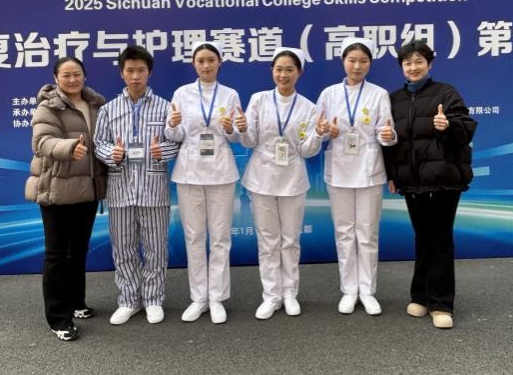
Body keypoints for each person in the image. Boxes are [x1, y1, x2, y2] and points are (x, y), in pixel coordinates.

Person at [384, 40, 477, 330]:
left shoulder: (446, 93)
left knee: (440, 240)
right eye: (407, 63)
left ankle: (441, 304)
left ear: (429, 64)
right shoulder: (394, 99)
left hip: (443, 180)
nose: (413, 67)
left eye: (418, 62)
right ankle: (420, 297)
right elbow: (390, 143)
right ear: (402, 67)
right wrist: (392, 175)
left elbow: (467, 127)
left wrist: (448, 126)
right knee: (422, 238)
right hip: (412, 182)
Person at [94, 45, 179, 325]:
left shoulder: (165, 107)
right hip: (120, 190)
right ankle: (129, 299)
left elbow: (177, 141)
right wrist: (113, 153)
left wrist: (161, 151)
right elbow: (99, 143)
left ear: (149, 73)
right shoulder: (109, 109)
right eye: (130, 70)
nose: (135, 76)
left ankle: (153, 299)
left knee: (156, 248)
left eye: (141, 70)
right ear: (122, 73)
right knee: (123, 248)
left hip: (153, 189)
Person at [235, 47, 323, 320]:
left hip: (293, 178)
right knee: (268, 240)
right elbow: (249, 141)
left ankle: (290, 293)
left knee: (290, 239)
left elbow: (307, 150)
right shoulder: (259, 100)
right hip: (262, 178)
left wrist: (318, 134)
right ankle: (272, 295)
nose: (283, 75)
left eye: (289, 70)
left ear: (299, 73)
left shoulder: (308, 107)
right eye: (279, 69)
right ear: (272, 71)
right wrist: (242, 128)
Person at [25, 56, 107, 341]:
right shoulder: (48, 107)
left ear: (84, 76)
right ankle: (58, 318)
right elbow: (42, 142)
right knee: (57, 254)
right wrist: (69, 147)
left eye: (77, 74)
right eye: (66, 75)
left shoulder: (95, 104)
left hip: (88, 189)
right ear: (56, 78)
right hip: (56, 189)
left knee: (78, 250)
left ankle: (76, 302)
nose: (72, 80)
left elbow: (103, 141)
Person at [315, 37, 397, 316]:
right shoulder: (328, 94)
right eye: (352, 60)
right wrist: (325, 131)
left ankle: (368, 291)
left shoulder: (379, 94)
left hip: (369, 170)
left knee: (367, 232)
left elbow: (386, 134)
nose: (357, 66)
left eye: (363, 61)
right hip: (339, 171)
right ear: (343, 61)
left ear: (370, 64)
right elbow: (315, 131)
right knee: (344, 232)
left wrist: (388, 135)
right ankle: (349, 290)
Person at [164, 41, 241, 324]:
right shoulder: (182, 94)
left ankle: (217, 297)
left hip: (221, 172)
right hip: (189, 172)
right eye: (201, 61)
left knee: (220, 237)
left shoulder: (230, 94)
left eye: (211, 60)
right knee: (194, 236)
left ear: (220, 62)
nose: (206, 65)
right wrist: (173, 124)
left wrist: (232, 129)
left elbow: (236, 136)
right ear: (193, 64)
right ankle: (199, 297)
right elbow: (174, 135)